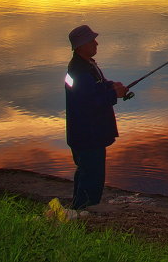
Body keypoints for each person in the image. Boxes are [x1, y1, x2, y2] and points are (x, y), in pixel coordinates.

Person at [64, 24, 129, 210]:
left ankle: (78, 209)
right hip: (88, 134)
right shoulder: (79, 71)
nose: (96, 43)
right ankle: (85, 213)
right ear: (81, 45)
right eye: (92, 40)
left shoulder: (85, 65)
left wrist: (112, 86)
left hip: (85, 133)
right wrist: (114, 95)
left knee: (85, 172)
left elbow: (92, 89)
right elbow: (89, 102)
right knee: (92, 175)